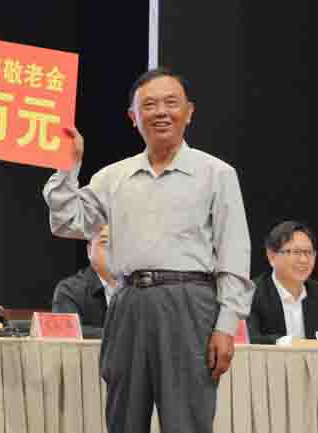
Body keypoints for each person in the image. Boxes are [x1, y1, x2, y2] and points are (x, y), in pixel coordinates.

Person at [43, 67, 254, 433]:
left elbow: (234, 253)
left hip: (190, 303)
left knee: (186, 420)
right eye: (149, 105)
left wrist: (226, 326)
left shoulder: (217, 174)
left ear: (189, 112)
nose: (161, 112)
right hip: (128, 302)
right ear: (133, 117)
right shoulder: (113, 177)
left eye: (171, 103)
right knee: (123, 417)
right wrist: (68, 166)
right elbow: (66, 222)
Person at [247, 221, 318, 344]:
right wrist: (286, 343)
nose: (304, 260)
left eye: (309, 252)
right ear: (272, 256)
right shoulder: (251, 293)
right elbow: (249, 340)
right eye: (295, 252)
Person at [52, 225, 116, 338]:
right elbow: (67, 332)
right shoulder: (69, 290)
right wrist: (120, 336)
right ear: (89, 251)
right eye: (105, 243)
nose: (113, 250)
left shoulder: (137, 287)